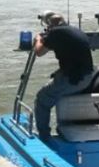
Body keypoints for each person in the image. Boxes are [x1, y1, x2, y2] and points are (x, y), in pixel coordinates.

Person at [33, 11, 95, 141]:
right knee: (55, 77)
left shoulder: (56, 33)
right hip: (88, 76)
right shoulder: (75, 30)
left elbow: (39, 52)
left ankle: (44, 136)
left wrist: (38, 39)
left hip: (74, 79)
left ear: (50, 25)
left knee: (42, 99)